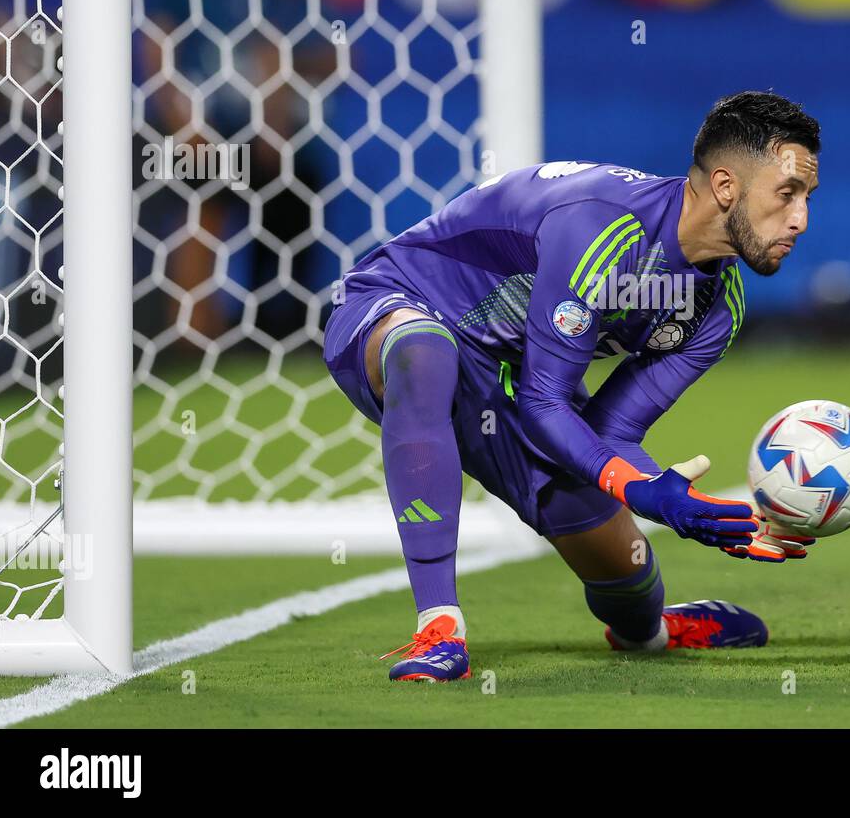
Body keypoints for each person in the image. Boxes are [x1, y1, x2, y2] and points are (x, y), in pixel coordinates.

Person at [323, 91, 821, 681]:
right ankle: (439, 626)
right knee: (427, 355)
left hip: (517, 372)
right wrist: (641, 492)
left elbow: (611, 432)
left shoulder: (718, 309)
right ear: (726, 186)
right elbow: (543, 401)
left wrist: (676, 500)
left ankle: (659, 629)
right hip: (403, 308)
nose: (800, 219)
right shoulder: (604, 227)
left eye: (807, 198)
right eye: (786, 194)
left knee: (628, 580)